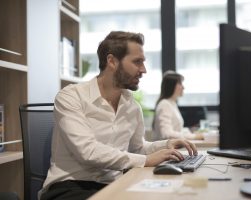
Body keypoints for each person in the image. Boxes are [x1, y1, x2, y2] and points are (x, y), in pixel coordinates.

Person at [40, 31, 197, 200]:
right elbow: (88, 151)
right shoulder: (71, 96)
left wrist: (166, 144)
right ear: (112, 61)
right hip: (71, 187)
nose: (143, 70)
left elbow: (137, 148)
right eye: (137, 62)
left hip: (114, 184)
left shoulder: (131, 106)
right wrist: (145, 160)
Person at [152, 70, 204, 141]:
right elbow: (166, 133)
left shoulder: (172, 103)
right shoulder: (164, 104)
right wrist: (194, 137)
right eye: (180, 84)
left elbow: (178, 130)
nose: (183, 87)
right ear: (171, 86)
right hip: (166, 149)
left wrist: (193, 134)